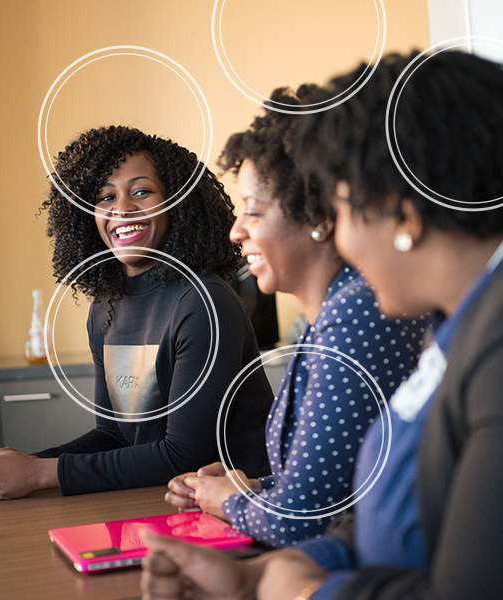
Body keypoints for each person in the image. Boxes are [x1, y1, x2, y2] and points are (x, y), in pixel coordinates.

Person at [140, 50, 503, 600]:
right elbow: (387, 510)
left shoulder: (491, 347)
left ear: (402, 213)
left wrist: (302, 591)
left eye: (344, 211)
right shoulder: (457, 329)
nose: (342, 240)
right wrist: (256, 575)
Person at [164, 86, 426, 547]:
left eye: (254, 212)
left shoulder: (357, 314)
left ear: (318, 217)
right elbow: (335, 485)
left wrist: (226, 501)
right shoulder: (331, 313)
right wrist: (250, 487)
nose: (236, 230)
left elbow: (302, 520)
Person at [0, 125, 274, 500]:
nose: (122, 209)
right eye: (105, 196)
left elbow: (184, 454)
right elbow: (115, 435)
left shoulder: (204, 302)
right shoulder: (106, 306)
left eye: (142, 192)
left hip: (237, 511)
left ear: (176, 202)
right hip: (153, 499)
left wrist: (39, 473)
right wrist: (26, 464)